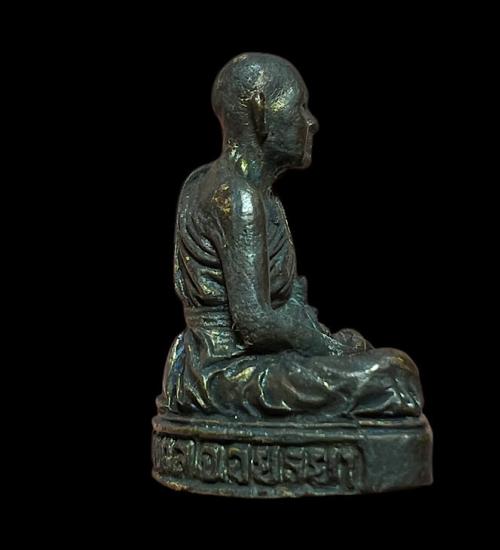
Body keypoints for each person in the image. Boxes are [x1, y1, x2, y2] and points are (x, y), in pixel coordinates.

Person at [159, 53, 423, 420]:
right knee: (394, 373)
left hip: (233, 363)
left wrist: (320, 336)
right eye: (299, 106)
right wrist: (324, 345)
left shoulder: (241, 191)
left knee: (363, 348)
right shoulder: (236, 196)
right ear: (260, 113)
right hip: (225, 373)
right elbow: (256, 324)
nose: (310, 122)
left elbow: (277, 306)